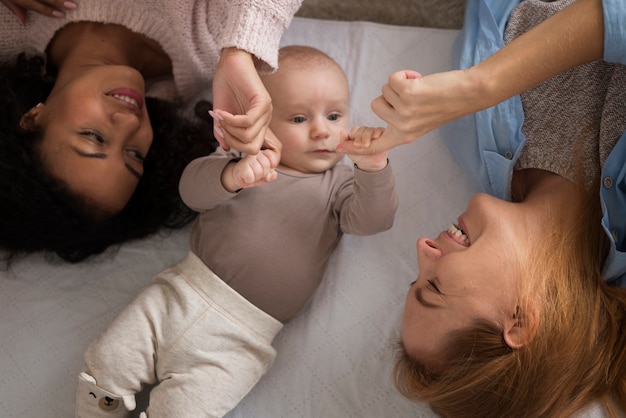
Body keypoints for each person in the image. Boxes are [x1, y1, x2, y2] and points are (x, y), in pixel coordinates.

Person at [74, 45, 398, 418]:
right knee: (109, 359)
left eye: (335, 115)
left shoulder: (339, 184)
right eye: (298, 119)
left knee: (184, 410)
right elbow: (191, 193)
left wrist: (373, 168)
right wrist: (231, 176)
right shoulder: (240, 157)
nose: (322, 130)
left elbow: (373, 220)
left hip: (243, 341)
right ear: (259, 120)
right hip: (178, 295)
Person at [337, 0, 626, 416]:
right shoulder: (469, 99)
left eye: (416, 279)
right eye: (433, 287)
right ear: (520, 321)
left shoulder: (465, 133)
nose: (422, 248)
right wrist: (482, 85)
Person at [0, 0, 302, 263]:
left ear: (33, 117)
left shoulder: (11, 23)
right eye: (134, 154)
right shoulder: (212, 45)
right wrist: (239, 51)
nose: (130, 124)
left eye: (93, 137)